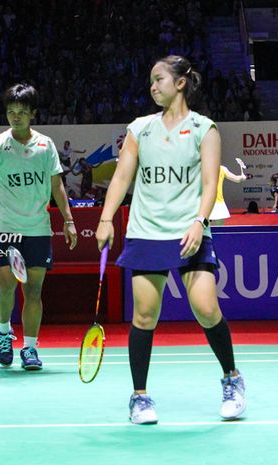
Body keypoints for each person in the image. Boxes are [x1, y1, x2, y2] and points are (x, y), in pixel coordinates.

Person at [95, 55, 246, 425]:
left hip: (189, 230)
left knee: (206, 308)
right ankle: (140, 396)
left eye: (159, 79)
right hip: (146, 231)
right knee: (144, 316)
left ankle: (232, 378)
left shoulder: (203, 128)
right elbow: (120, 179)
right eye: (150, 80)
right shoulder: (140, 128)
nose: (152, 86)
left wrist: (199, 221)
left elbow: (211, 183)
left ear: (180, 83)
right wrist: (106, 218)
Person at [0, 83, 78, 371]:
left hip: (37, 228)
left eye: (22, 112)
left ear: (33, 113)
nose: (16, 117)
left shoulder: (46, 146)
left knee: (33, 291)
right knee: (6, 287)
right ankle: (4, 332)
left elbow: (57, 186)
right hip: (5, 226)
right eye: (11, 112)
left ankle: (30, 348)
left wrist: (69, 220)